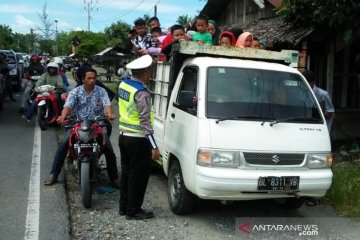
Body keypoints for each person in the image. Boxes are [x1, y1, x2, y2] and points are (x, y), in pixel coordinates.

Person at [43, 68, 120, 188]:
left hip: (97, 123)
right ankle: (53, 174)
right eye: (89, 78)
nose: (92, 80)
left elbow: (107, 105)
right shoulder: (75, 92)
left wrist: (109, 114)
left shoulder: (101, 91)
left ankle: (114, 178)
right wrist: (62, 116)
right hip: (77, 123)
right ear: (83, 79)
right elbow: (68, 106)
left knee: (108, 149)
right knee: (63, 145)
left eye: (94, 78)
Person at [117, 55, 160, 220]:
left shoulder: (124, 84)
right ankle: (133, 210)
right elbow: (144, 121)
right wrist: (154, 146)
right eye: (149, 71)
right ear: (144, 72)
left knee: (127, 173)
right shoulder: (142, 92)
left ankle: (124, 206)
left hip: (123, 135)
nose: (150, 74)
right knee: (138, 176)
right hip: (138, 139)